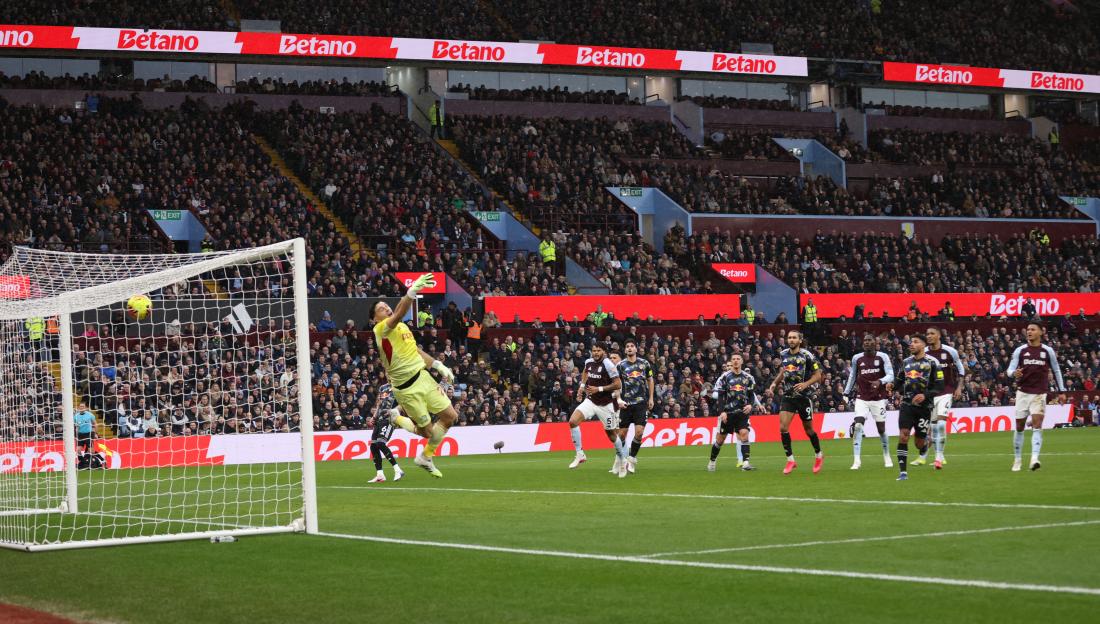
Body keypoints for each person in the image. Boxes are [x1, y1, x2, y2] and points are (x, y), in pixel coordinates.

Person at [370, 273, 458, 478]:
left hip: (424, 377)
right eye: (381, 308)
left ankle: (426, 456)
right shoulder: (380, 329)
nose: (386, 308)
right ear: (375, 318)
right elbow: (399, 313)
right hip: (406, 389)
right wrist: (411, 292)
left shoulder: (402, 327)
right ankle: (397, 418)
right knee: (427, 432)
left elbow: (416, 351)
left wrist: (438, 365)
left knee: (450, 417)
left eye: (386, 305)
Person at [1005, 323, 1066, 471]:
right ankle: (1017, 459)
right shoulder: (1020, 350)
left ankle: (1034, 459)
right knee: (1019, 427)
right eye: (1028, 330)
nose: (1029, 332)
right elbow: (1009, 370)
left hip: (1039, 394)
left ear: (1041, 332)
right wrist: (1014, 373)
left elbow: (1057, 370)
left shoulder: (1047, 351)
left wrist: (1062, 391)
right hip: (1023, 393)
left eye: (1033, 329)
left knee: (1037, 425)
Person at [767, 330, 824, 474]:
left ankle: (818, 455)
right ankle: (790, 460)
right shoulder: (784, 354)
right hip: (788, 396)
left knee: (809, 430)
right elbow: (784, 371)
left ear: (800, 340)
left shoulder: (807, 356)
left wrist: (805, 384)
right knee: (783, 428)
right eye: (789, 338)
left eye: (794, 338)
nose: (791, 340)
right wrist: (774, 383)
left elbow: (818, 376)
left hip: (804, 397)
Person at [566, 342, 627, 477]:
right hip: (591, 400)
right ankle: (580, 454)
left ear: (604, 352)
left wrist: (599, 389)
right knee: (573, 421)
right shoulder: (588, 362)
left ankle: (622, 459)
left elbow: (618, 384)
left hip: (606, 404)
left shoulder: (608, 364)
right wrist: (582, 386)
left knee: (612, 435)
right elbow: (585, 372)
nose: (595, 353)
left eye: (598, 350)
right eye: (594, 350)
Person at [890, 335, 942, 481]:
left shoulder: (932, 363)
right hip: (907, 405)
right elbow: (899, 381)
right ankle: (903, 473)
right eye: (911, 342)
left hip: (924, 408)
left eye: (915, 342)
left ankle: (926, 443)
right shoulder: (906, 362)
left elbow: (939, 386)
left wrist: (925, 395)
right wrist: (891, 386)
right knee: (903, 435)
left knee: (919, 444)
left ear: (923, 345)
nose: (911, 344)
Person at [842, 334, 894, 470]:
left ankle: (887, 455)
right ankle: (857, 460)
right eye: (865, 340)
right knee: (858, 426)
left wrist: (880, 381)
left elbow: (891, 375)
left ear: (875, 342)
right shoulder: (857, 358)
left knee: (881, 430)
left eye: (869, 340)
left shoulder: (883, 357)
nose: (866, 342)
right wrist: (846, 393)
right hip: (862, 398)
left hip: (878, 398)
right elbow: (852, 375)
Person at [708, 354, 761, 472]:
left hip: (742, 412)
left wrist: (750, 405)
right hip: (728, 413)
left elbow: (751, 394)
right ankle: (712, 461)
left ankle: (746, 463)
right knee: (720, 440)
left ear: (742, 361)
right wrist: (722, 412)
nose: (736, 361)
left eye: (738, 359)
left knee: (744, 434)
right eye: (733, 359)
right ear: (731, 362)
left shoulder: (748, 378)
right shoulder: (725, 377)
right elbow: (721, 396)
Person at [923, 327, 965, 468]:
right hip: (931, 394)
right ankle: (939, 456)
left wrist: (959, 387)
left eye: (932, 333)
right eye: (927, 334)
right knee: (933, 427)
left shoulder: (950, 351)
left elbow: (961, 370)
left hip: (947, 391)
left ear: (939, 335)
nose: (929, 336)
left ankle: (939, 458)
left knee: (941, 424)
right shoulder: (924, 353)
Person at [616, 339, 654, 473]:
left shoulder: (644, 364)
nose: (630, 348)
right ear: (625, 350)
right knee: (621, 435)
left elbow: (650, 380)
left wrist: (651, 398)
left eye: (632, 346)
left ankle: (631, 459)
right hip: (626, 404)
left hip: (641, 403)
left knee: (639, 433)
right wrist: (619, 399)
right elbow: (616, 384)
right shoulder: (620, 365)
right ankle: (620, 460)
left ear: (636, 349)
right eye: (627, 346)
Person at [367, 383, 405, 483]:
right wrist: (374, 416)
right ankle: (380, 475)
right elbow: (379, 403)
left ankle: (398, 470)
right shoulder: (383, 387)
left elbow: (404, 403)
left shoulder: (400, 385)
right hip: (379, 418)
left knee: (380, 443)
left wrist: (393, 410)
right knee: (373, 445)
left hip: (390, 418)